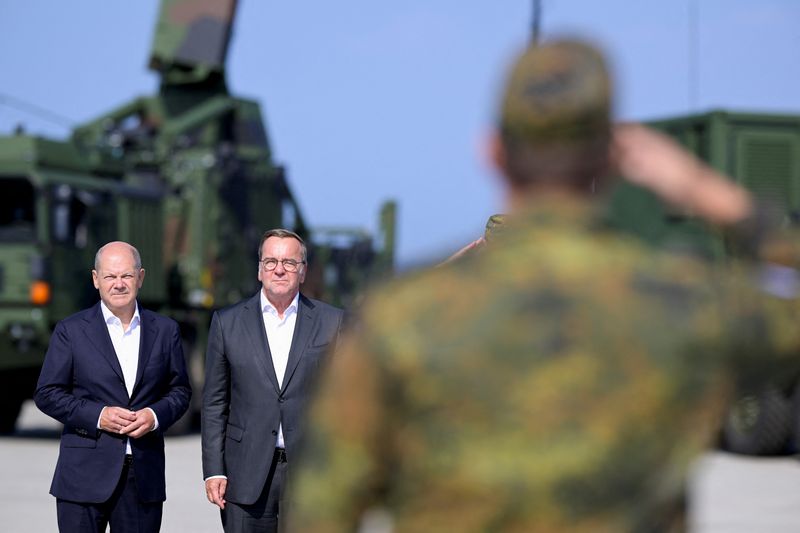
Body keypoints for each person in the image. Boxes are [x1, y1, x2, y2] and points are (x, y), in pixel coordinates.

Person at [285, 40, 800, 532]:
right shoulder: (683, 304)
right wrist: (716, 198)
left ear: (492, 153)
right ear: (613, 161)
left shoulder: (404, 317)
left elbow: (321, 512)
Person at [34, 241, 191, 533]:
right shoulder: (71, 330)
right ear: (96, 280)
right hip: (82, 474)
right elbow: (47, 393)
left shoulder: (166, 330)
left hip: (142, 475)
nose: (118, 284)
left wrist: (154, 416)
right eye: (110, 276)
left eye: (126, 276)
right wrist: (98, 415)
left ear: (140, 278)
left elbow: (180, 391)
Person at [202, 228, 344, 532]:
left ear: (303, 272)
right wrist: (213, 470)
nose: (279, 269)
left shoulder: (332, 322)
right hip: (244, 475)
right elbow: (215, 404)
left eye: (289, 263)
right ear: (259, 270)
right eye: (270, 262)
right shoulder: (227, 323)